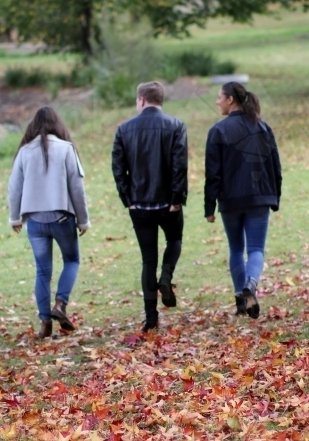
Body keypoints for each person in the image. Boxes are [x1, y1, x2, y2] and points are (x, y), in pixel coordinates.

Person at [112, 81, 188, 332]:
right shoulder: (176, 126)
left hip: (140, 204)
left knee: (147, 260)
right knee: (175, 240)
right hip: (168, 203)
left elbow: (118, 169)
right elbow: (179, 166)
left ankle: (151, 318)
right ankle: (166, 278)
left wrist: (128, 200)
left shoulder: (124, 129)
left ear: (142, 100)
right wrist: (177, 199)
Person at [8, 106, 90, 338]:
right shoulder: (66, 149)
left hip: (35, 221)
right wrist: (83, 220)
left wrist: (15, 217)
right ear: (58, 124)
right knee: (72, 260)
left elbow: (14, 187)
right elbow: (77, 188)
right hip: (62, 218)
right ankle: (60, 305)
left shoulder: (24, 152)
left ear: (33, 126)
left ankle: (45, 323)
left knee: (42, 272)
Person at [204, 81, 281, 319]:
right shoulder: (263, 127)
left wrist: (209, 206)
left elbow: (212, 174)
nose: (217, 101)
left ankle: (241, 299)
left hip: (231, 200)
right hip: (259, 198)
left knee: (236, 248)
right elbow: (275, 165)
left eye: (219, 97)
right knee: (256, 248)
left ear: (230, 100)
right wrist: (274, 195)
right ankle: (251, 283)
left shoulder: (218, 131)